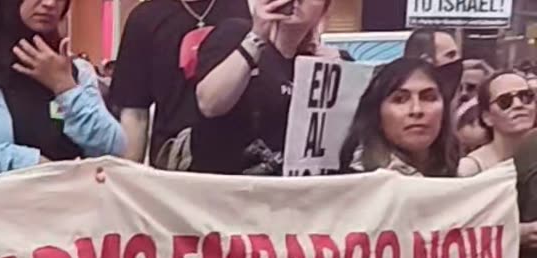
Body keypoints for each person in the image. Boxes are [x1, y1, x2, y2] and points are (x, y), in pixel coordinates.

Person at [0, 0, 126, 178]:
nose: (50, 3)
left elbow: (114, 150)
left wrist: (65, 88)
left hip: (70, 204)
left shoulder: (76, 71)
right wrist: (27, 163)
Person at [190, 0, 330, 175]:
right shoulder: (235, 33)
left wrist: (338, 71)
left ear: (323, 13)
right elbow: (209, 104)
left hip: (287, 192)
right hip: (223, 187)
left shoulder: (317, 65)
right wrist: (255, 39)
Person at [109, 0, 250, 168]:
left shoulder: (246, 7)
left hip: (245, 160)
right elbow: (135, 113)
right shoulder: (144, 18)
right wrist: (129, 179)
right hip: (175, 161)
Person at [340, 57, 457, 177]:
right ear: (376, 113)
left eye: (429, 98)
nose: (416, 110)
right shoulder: (362, 181)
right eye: (400, 99)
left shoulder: (461, 172)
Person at [458, 71, 535, 177]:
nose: (518, 105)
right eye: (504, 101)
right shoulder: (470, 170)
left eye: (525, 97)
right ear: (487, 117)